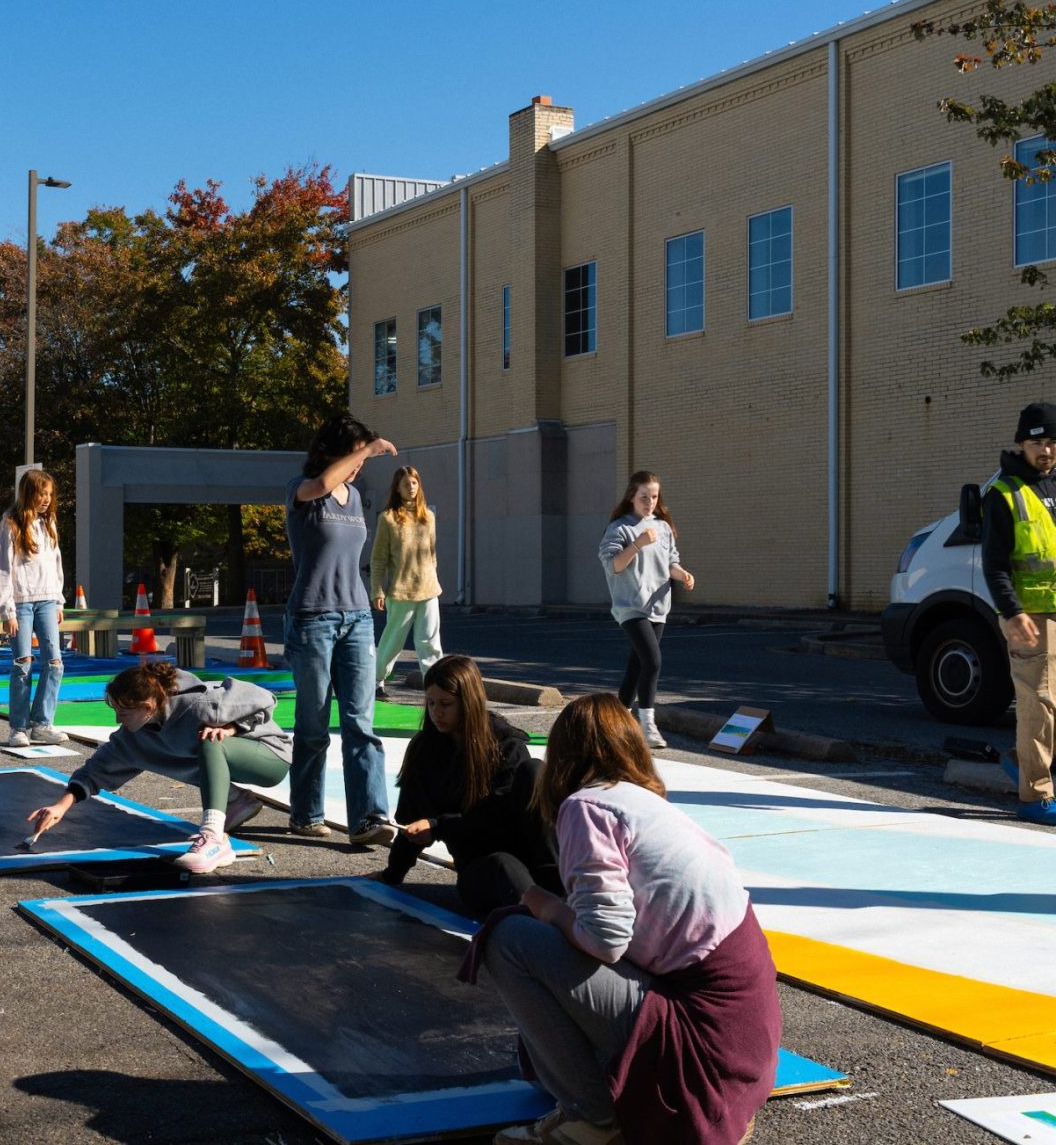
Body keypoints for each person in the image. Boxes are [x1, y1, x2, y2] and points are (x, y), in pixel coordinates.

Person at [476, 694, 780, 1145]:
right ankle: (597, 1100)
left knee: (509, 938)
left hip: (700, 1048)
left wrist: (548, 908)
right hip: (741, 1054)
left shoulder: (587, 806)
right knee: (548, 945)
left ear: (562, 755)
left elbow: (606, 940)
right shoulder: (644, 803)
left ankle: (593, 1121)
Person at [25, 661, 290, 873]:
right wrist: (61, 805)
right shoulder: (134, 735)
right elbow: (97, 768)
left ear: (148, 707)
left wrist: (232, 728)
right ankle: (236, 801)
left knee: (210, 741)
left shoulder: (200, 706)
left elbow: (264, 699)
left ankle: (214, 839)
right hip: (223, 757)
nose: (118, 719)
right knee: (161, 752)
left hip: (269, 757)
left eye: (124, 712)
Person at [285, 413, 397, 845]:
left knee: (360, 722)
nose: (360, 465)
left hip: (358, 617)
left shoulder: (353, 497)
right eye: (354, 455)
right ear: (332, 452)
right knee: (313, 723)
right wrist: (367, 447)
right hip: (313, 617)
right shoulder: (302, 489)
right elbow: (319, 485)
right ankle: (305, 813)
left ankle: (370, 818)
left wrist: (362, 455)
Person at [376, 655, 559, 912]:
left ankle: (558, 892)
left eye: (446, 704)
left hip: (528, 858)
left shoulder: (506, 745)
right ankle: (550, 917)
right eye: (430, 703)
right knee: (503, 865)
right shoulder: (424, 749)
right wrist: (391, 875)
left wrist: (439, 827)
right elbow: (412, 826)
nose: (436, 712)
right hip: (481, 868)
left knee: (535, 771)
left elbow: (500, 816)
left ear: (468, 703)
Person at [982, 401, 1056, 826]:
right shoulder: (1003, 495)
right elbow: (994, 564)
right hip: (1029, 618)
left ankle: (1021, 760)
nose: (1044, 450)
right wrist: (1011, 612)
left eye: (1050, 442)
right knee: (1038, 705)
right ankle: (1035, 795)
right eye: (1036, 442)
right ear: (1020, 444)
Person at [597, 471, 694, 751]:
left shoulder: (663, 527)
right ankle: (647, 725)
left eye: (654, 497)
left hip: (658, 605)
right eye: (644, 497)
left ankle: (614, 726)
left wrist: (682, 574)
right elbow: (614, 565)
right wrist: (637, 544)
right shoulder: (620, 528)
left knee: (636, 666)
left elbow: (670, 563)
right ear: (631, 496)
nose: (650, 502)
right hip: (631, 605)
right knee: (652, 661)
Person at [0, 469, 65, 749]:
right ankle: (18, 727)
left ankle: (42, 723)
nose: (46, 499)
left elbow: (56, 564)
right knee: (23, 663)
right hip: (21, 602)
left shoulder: (49, 523)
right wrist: (6, 610)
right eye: (41, 493)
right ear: (28, 493)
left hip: (47, 600)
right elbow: (1, 568)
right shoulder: (11, 523)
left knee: (54, 662)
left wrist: (58, 600)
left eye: (49, 494)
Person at [371, 464, 443, 695]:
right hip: (401, 591)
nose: (411, 487)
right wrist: (377, 590)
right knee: (393, 642)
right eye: (406, 484)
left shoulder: (428, 517)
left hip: (429, 589)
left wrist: (433, 574)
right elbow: (378, 559)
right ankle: (375, 682)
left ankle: (436, 685)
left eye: (414, 482)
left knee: (430, 642)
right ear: (397, 488)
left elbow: (432, 552)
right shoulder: (388, 519)